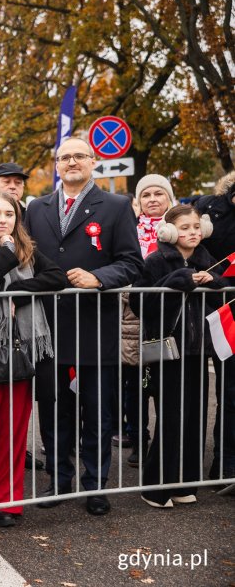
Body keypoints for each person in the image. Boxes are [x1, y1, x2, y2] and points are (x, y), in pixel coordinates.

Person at [24, 137, 142, 516]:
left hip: (95, 325)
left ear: (93, 162)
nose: (71, 162)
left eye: (78, 156)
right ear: (55, 166)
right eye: (64, 157)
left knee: (98, 411)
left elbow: (131, 261)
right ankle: (59, 479)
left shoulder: (117, 206)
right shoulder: (36, 207)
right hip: (48, 327)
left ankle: (95, 485)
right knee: (53, 407)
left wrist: (99, 277)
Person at [0, 191, 65, 527]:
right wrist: (4, 255)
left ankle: (6, 500)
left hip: (21, 355)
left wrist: (20, 291)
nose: (3, 219)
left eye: (10, 214)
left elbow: (57, 277)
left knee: (12, 431)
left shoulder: (28, 251)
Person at [131, 204, 223, 506]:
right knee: (171, 417)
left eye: (197, 227)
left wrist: (216, 283)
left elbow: (225, 291)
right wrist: (181, 280)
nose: (192, 233)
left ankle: (185, 484)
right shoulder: (157, 259)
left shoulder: (206, 258)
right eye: (185, 228)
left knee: (195, 417)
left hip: (198, 350)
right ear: (169, 232)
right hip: (168, 350)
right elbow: (139, 300)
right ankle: (155, 488)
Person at [119, 174, 176, 467]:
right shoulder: (129, 229)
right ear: (138, 202)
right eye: (146, 195)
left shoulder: (180, 228)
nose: (152, 199)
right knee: (134, 385)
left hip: (169, 319)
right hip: (133, 317)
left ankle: (166, 444)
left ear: (169, 198)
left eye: (159, 194)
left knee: (165, 384)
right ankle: (139, 441)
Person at [194, 170, 235, 481]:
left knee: (230, 391)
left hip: (225, 310)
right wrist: (215, 276)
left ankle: (225, 464)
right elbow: (191, 243)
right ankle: (185, 465)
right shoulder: (210, 206)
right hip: (206, 306)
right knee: (192, 391)